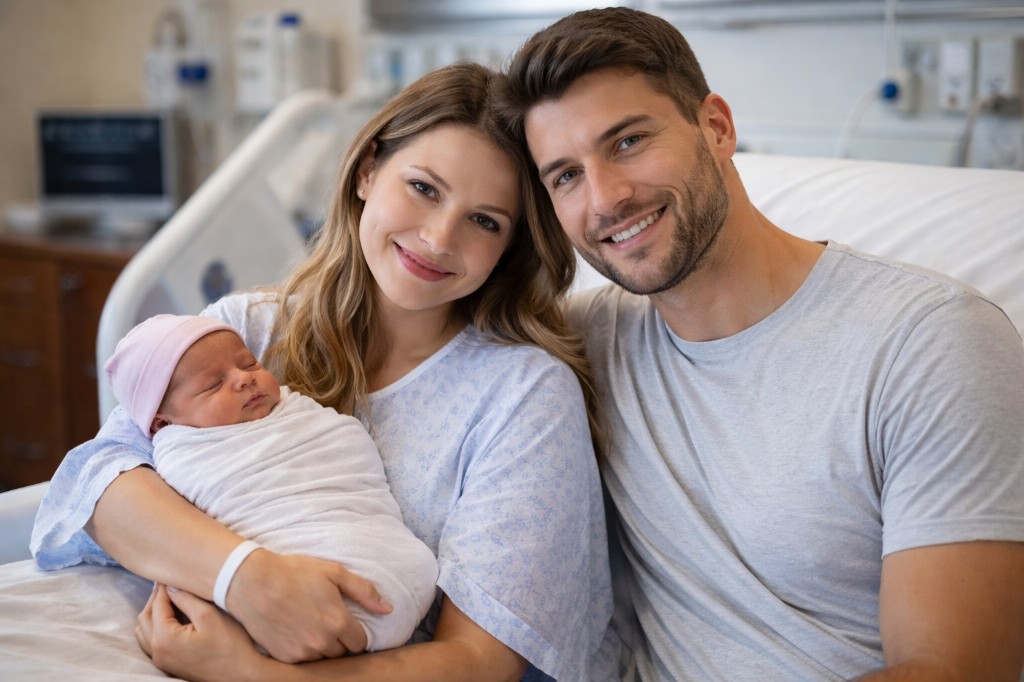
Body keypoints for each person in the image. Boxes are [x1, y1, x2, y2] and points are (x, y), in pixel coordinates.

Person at [31, 62, 617, 682]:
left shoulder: (522, 395)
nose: (439, 237)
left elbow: (481, 662)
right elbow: (98, 482)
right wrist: (245, 579)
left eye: (485, 221)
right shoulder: (245, 335)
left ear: (509, 249)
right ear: (368, 170)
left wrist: (251, 675)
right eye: (423, 187)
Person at [497, 7, 1024, 681]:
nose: (606, 199)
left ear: (715, 128)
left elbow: (952, 671)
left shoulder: (929, 343)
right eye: (565, 175)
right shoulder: (581, 347)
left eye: (627, 142)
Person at [104, 313, 439, 652]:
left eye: (249, 365)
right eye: (213, 385)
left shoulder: (296, 411)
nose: (244, 380)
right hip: (290, 574)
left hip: (367, 541)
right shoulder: (185, 453)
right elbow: (100, 480)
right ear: (163, 424)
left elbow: (344, 448)